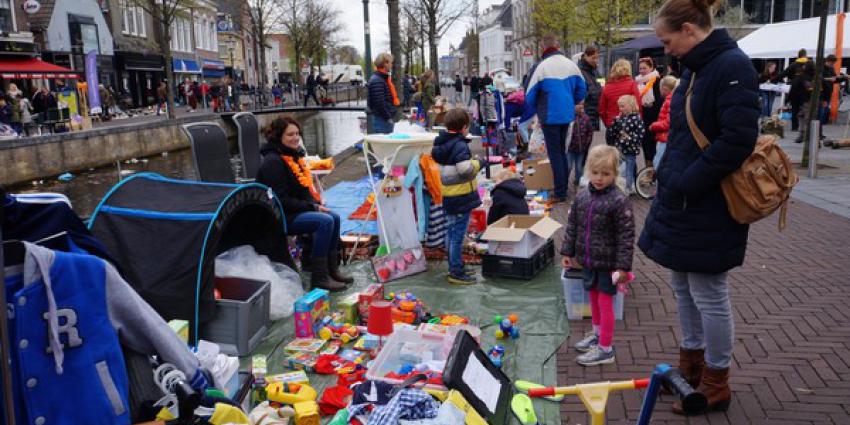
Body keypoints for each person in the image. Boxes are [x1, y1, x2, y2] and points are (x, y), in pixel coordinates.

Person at [638, 0, 760, 414]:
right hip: (683, 196)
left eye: (667, 40)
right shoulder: (696, 68)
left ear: (689, 30)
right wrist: (667, 173)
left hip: (707, 200)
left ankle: (716, 379)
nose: (665, 49)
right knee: (682, 285)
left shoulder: (731, 67)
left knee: (709, 291)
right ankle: (691, 365)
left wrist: (687, 179)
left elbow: (737, 140)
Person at [255, 116, 353, 291]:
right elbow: (281, 200)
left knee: (335, 217)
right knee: (325, 221)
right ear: (279, 137)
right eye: (290, 135)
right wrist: (313, 207)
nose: (295, 138)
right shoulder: (273, 162)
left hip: (294, 210)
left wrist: (315, 203)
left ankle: (332, 270)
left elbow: (303, 190)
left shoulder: (292, 156)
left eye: (297, 133)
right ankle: (319, 278)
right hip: (279, 216)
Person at [561, 145, 634, 366]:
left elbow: (626, 237)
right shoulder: (582, 196)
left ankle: (605, 348)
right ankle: (597, 333)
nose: (599, 178)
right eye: (595, 173)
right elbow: (573, 225)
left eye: (606, 174)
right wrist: (568, 251)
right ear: (588, 171)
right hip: (588, 260)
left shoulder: (619, 201)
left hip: (609, 264)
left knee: (604, 302)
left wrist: (623, 267)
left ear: (615, 174)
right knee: (592, 297)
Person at [524, 33, 587, 203]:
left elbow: (529, 95)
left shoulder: (541, 66)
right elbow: (582, 89)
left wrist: (537, 106)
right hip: (567, 114)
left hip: (549, 115)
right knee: (562, 151)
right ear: (557, 46)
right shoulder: (571, 65)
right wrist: (570, 101)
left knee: (555, 154)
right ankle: (563, 186)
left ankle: (560, 192)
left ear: (543, 47)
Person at [431, 108, 482, 285]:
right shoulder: (460, 145)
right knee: (457, 236)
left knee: (451, 232)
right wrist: (477, 163)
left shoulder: (440, 143)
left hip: (449, 194)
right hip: (461, 196)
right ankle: (456, 271)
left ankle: (455, 264)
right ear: (464, 127)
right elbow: (464, 169)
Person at [600, 59, 642, 146]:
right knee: (629, 156)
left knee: (612, 156)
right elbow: (638, 106)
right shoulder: (632, 84)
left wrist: (608, 123)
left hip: (611, 125)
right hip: (629, 126)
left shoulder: (607, 87)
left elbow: (601, 110)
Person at [608, 95, 644, 193]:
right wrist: (615, 122)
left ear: (630, 106)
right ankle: (624, 185)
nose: (620, 109)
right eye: (619, 106)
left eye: (623, 106)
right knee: (619, 167)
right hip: (621, 148)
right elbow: (614, 131)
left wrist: (626, 139)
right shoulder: (622, 118)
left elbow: (640, 135)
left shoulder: (636, 118)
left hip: (631, 149)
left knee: (629, 168)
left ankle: (628, 188)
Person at [636, 57, 662, 172]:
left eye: (644, 68)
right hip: (643, 116)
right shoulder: (637, 81)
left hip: (655, 116)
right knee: (646, 143)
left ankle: (655, 171)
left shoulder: (657, 80)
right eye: (640, 68)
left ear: (651, 68)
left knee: (654, 144)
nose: (642, 71)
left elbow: (660, 99)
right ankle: (648, 170)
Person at [649, 75, 678, 170]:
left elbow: (668, 123)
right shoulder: (672, 99)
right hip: (666, 137)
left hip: (665, 138)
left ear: (664, 88)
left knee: (658, 164)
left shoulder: (670, 101)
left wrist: (653, 126)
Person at [366, 52, 400, 134]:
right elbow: (380, 103)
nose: (392, 65)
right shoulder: (378, 80)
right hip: (382, 119)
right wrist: (388, 117)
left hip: (384, 118)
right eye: (391, 62)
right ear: (385, 63)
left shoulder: (381, 79)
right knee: (384, 144)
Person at [567, 103, 594, 188]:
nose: (579, 108)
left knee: (579, 167)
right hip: (570, 148)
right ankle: (565, 181)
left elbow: (590, 131)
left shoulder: (586, 118)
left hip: (581, 148)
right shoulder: (569, 118)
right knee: (568, 165)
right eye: (577, 106)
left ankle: (578, 181)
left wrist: (587, 143)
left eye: (581, 106)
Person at [577, 45, 603, 131]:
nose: (595, 60)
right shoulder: (579, 71)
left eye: (597, 58)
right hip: (587, 110)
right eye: (593, 58)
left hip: (596, 110)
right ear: (585, 56)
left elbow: (602, 84)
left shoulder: (595, 70)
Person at [788, 61, 814, 143]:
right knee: (802, 116)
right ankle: (802, 134)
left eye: (805, 65)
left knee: (806, 118)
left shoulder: (804, 77)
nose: (803, 66)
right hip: (804, 100)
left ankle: (808, 136)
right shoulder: (807, 76)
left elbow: (808, 87)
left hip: (807, 100)